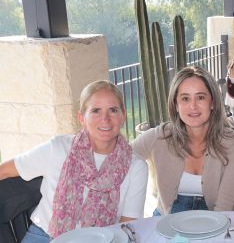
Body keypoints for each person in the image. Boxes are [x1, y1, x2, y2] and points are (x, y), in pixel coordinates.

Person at [0, 80, 148, 242]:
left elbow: (127, 225)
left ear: (123, 116)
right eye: (96, 111)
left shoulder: (136, 167)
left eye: (113, 110)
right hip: (44, 237)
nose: (105, 119)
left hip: (102, 240)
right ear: (81, 117)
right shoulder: (56, 148)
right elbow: (5, 170)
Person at [132, 66, 234, 215]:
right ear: (176, 105)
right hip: (166, 219)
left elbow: (224, 207)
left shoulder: (232, 144)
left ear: (213, 103)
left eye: (200, 97)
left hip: (214, 219)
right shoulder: (159, 137)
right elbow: (119, 157)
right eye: (185, 98)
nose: (193, 106)